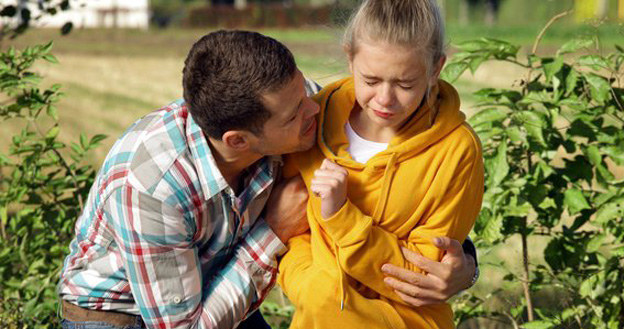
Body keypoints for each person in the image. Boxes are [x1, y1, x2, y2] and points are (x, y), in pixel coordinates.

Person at [57, 30, 478, 329]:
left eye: (304, 93)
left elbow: (395, 197)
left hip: (222, 278)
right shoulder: (152, 187)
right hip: (126, 316)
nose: (317, 109)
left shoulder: (300, 108)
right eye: (296, 113)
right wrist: (275, 229)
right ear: (240, 141)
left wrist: (463, 264)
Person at [277, 0, 484, 328]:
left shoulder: (457, 151)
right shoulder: (315, 120)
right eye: (371, 80)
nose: (385, 99)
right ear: (349, 57)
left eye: (405, 85)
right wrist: (315, 290)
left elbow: (420, 275)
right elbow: (287, 232)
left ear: (436, 69)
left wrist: (340, 217)